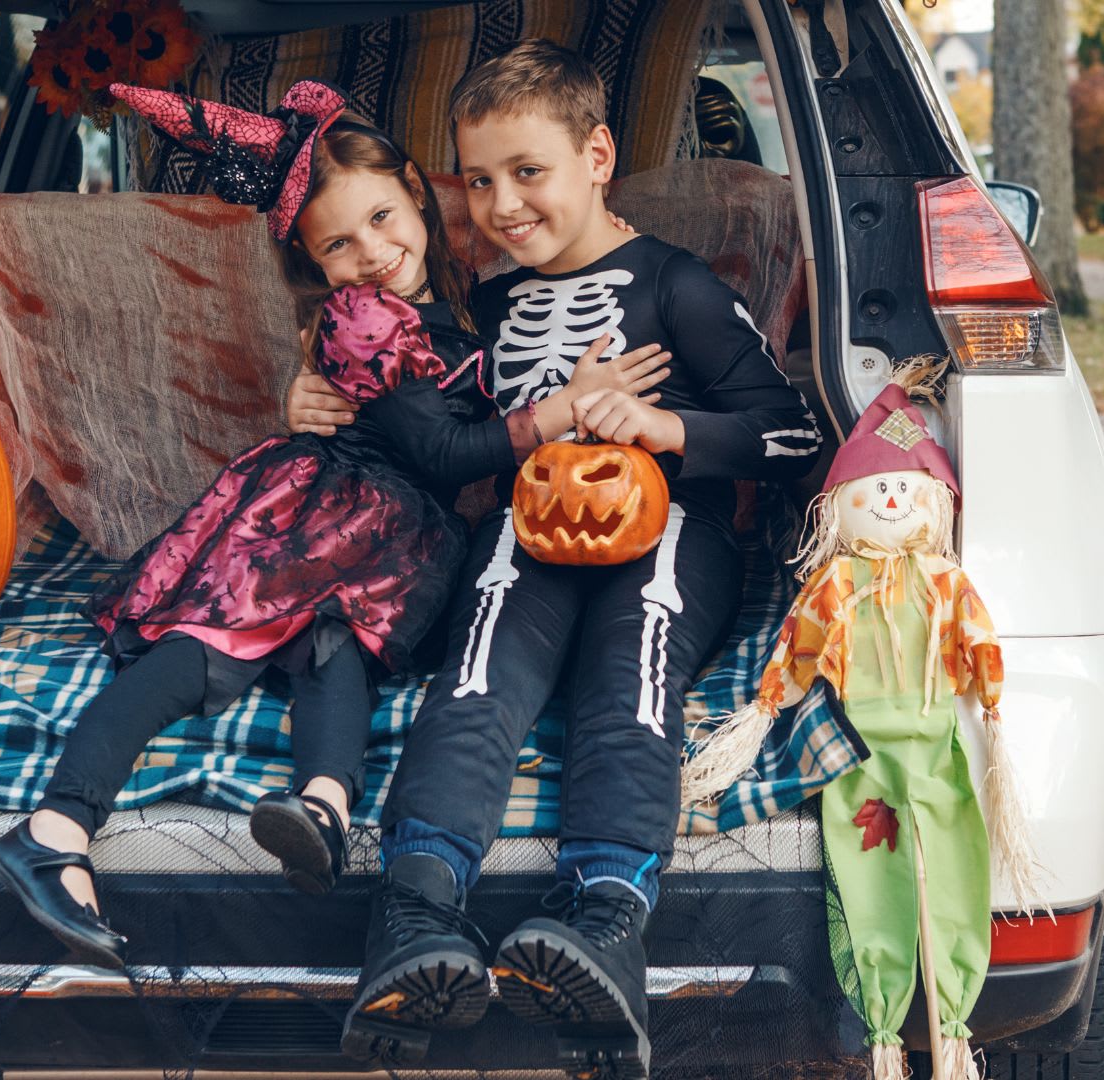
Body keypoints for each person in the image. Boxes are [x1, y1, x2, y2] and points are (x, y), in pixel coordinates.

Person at [0, 78, 673, 971]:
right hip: (325, 511)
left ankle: (320, 808)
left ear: (418, 195)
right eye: (339, 246)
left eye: (384, 219)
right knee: (201, 654)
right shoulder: (365, 320)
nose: (373, 252)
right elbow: (439, 454)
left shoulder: (458, 292)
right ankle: (55, 827)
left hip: (389, 543)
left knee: (338, 648)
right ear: (315, 265)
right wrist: (560, 412)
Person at [292, 42, 826, 1074]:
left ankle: (605, 922)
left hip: (671, 525)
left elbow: (793, 430)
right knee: (480, 674)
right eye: (480, 181)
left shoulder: (678, 289)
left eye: (527, 172)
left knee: (632, 668)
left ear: (596, 156)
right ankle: (411, 918)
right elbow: (428, 440)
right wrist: (308, 400)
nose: (501, 204)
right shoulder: (480, 312)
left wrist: (669, 429)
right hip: (528, 528)